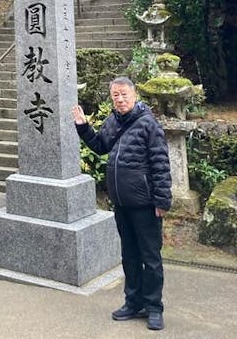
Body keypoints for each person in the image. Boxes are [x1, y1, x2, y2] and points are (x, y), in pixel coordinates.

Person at [72, 76, 171, 331]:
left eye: (124, 94)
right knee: (129, 255)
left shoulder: (149, 124)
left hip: (146, 204)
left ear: (134, 94)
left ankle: (154, 307)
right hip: (122, 203)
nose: (120, 99)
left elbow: (161, 164)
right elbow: (101, 146)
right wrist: (83, 128)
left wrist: (162, 201)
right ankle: (133, 301)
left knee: (150, 257)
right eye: (115, 95)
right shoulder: (113, 121)